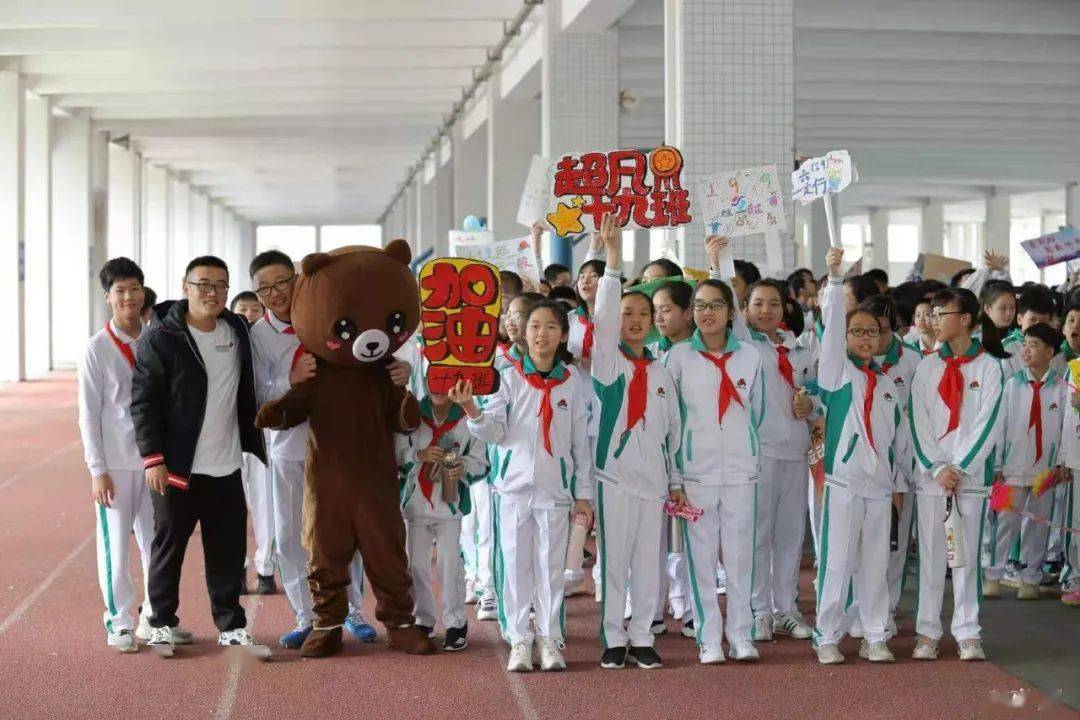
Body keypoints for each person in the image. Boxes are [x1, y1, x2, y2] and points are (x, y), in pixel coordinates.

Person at [131, 255, 267, 651]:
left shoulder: (237, 328)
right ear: (185, 286)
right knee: (168, 548)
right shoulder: (161, 339)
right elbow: (143, 402)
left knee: (227, 550)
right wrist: (152, 457)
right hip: (176, 468)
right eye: (203, 284)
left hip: (226, 466)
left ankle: (230, 624)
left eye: (220, 285)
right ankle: (160, 621)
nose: (211, 292)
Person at [247, 249, 379, 648]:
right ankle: (307, 615)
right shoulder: (258, 336)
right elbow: (256, 394)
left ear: (297, 279)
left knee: (343, 532)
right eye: (264, 288)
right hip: (288, 448)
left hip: (339, 443)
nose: (274, 294)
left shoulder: (328, 314)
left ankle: (352, 611)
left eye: (281, 283)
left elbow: (364, 357)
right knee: (290, 535)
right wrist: (290, 378)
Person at [453, 300, 594, 673]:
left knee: (550, 569)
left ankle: (549, 638)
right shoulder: (507, 375)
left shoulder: (572, 381)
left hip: (555, 491)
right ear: (524, 331)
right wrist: (472, 409)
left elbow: (581, 443)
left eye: (550, 327)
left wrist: (584, 495)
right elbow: (495, 433)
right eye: (534, 326)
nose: (541, 334)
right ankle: (519, 638)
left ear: (563, 335)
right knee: (514, 566)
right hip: (512, 489)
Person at [663, 236, 763, 664]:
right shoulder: (678, 359)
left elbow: (755, 415)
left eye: (716, 305)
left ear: (730, 311)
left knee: (740, 560)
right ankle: (708, 638)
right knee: (701, 562)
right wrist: (676, 478)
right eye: (699, 305)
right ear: (691, 313)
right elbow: (670, 425)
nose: (707, 312)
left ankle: (742, 635)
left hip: (742, 474)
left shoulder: (751, 357)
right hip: (696, 476)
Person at [711, 237, 816, 643]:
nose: (766, 311)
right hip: (759, 455)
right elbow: (727, 305)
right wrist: (719, 261)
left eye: (774, 304)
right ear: (746, 310)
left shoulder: (799, 350)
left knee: (791, 536)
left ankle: (785, 608)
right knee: (758, 536)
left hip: (796, 454)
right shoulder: (745, 346)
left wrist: (814, 407)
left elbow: (815, 392)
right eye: (757, 304)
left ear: (786, 308)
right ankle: (757, 610)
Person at [590, 214, 680, 669]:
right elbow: (603, 319)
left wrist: (675, 478)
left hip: (654, 482)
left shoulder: (662, 371)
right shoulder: (607, 365)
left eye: (645, 314)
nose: (637, 321)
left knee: (649, 563)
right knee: (614, 563)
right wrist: (612, 260)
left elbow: (673, 434)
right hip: (614, 478)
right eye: (628, 314)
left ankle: (643, 635)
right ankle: (612, 636)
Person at [811, 250, 901, 665]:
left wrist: (896, 485)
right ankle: (826, 635)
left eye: (872, 333)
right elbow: (829, 336)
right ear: (845, 338)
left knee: (875, 564)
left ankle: (874, 634)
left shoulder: (886, 384)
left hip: (880, 489)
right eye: (857, 332)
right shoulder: (837, 374)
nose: (866, 338)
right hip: (844, 483)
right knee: (837, 561)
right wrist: (832, 280)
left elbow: (896, 440)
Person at [908, 287, 1007, 661]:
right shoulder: (927, 366)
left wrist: (960, 467)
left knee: (965, 557)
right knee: (933, 556)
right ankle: (928, 632)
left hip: (970, 479)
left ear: (964, 319)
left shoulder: (989, 366)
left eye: (940, 313)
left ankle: (968, 631)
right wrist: (936, 467)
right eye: (931, 313)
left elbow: (989, 423)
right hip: (933, 477)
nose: (933, 319)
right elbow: (917, 422)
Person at [79, 258, 172, 652]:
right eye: (119, 291)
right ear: (108, 297)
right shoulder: (97, 348)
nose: (128, 297)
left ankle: (155, 616)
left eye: (134, 288)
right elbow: (88, 412)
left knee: (158, 544)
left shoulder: (159, 338)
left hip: (155, 461)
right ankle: (118, 621)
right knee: (115, 544)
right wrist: (97, 469)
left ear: (143, 291)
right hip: (116, 464)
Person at [397, 389, 488, 651]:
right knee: (416, 566)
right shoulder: (411, 412)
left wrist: (464, 466)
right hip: (416, 506)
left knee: (449, 564)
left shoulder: (466, 417)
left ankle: (455, 623)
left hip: (450, 506)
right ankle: (423, 619)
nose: (438, 388)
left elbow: (482, 461)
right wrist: (419, 456)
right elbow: (396, 455)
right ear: (427, 379)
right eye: (434, 379)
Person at [984, 323, 1065, 600]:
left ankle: (1030, 578)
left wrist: (1061, 462)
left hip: (1045, 470)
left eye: (1033, 345)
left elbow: (1066, 427)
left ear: (1050, 352)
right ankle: (993, 575)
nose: (1025, 349)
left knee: (1039, 523)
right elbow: (999, 425)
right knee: (1003, 521)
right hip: (1010, 469)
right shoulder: (1012, 385)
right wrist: (996, 465)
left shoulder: (1062, 389)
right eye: (1025, 344)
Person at [229, 291, 275, 596]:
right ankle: (235, 570)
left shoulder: (267, 342)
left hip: (262, 435)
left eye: (254, 309)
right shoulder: (222, 340)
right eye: (242, 309)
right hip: (227, 437)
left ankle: (266, 569)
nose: (248, 314)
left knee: (264, 504)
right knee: (230, 508)